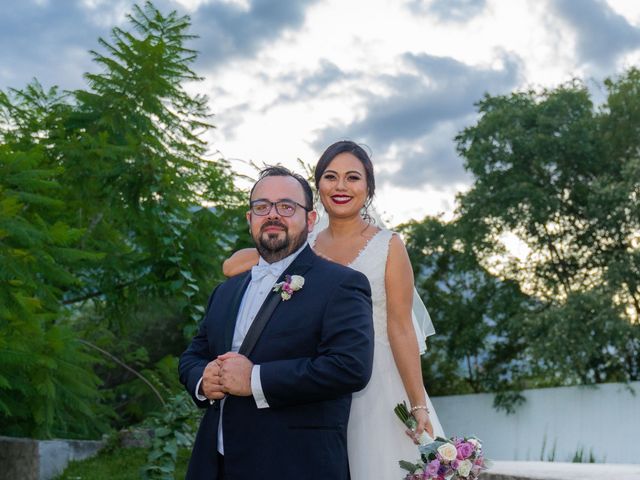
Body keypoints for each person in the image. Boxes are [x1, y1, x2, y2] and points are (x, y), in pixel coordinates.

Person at [223, 141, 445, 479]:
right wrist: (307, 259)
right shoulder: (303, 243)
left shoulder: (389, 245)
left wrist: (418, 404)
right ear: (318, 187)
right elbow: (231, 266)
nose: (341, 186)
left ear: (368, 188)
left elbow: (400, 328)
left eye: (353, 178)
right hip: (316, 381)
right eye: (331, 177)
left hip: (377, 384)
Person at [179, 165, 374, 480]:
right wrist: (203, 379)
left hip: (296, 464)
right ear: (250, 219)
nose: (272, 215)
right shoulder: (225, 292)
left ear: (310, 220)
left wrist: (255, 379)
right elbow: (193, 354)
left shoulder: (342, 285)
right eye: (261, 207)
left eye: (286, 206)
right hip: (214, 464)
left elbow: (350, 366)